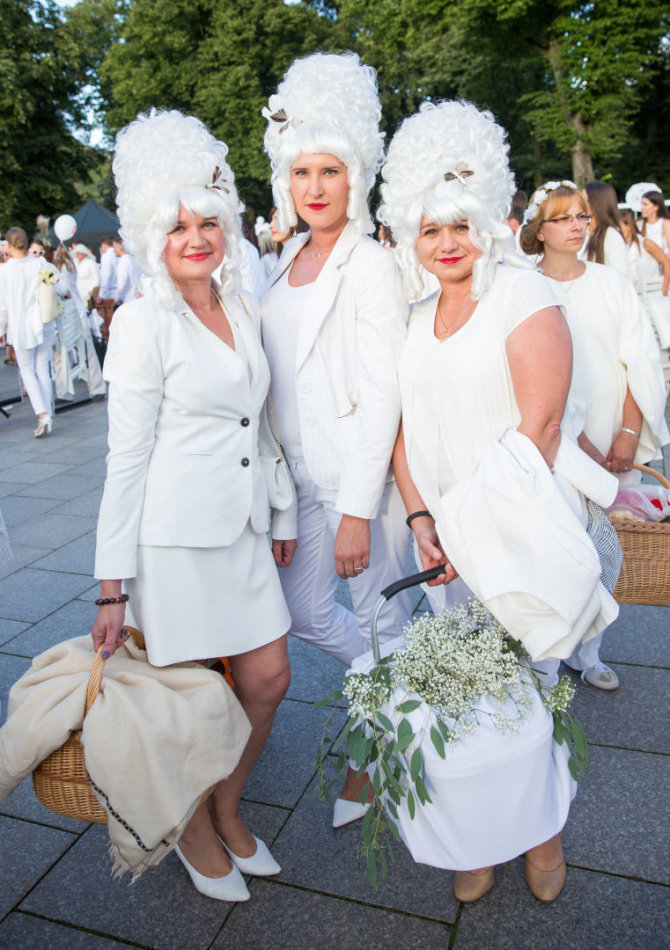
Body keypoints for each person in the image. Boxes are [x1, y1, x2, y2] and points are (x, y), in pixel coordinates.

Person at [380, 100, 621, 904]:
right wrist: (422, 521)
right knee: (465, 699)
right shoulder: (414, 319)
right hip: (443, 539)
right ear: (411, 237)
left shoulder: (524, 298)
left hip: (516, 533)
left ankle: (543, 840)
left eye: (459, 225)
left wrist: (472, 534)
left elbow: (541, 424)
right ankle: (477, 843)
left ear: (486, 223)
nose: (446, 243)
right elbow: (401, 431)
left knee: (526, 702)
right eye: (429, 229)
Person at [91, 109, 295, 903]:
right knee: (187, 707)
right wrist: (112, 587)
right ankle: (193, 830)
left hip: (243, 531)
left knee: (269, 678)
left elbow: (262, 422)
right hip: (172, 545)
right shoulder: (143, 324)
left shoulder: (241, 306)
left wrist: (278, 514)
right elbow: (126, 459)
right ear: (154, 236)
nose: (196, 236)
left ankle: (228, 804)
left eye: (208, 221)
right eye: (177, 226)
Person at [261, 52, 411, 826]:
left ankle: (376, 748)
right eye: (301, 173)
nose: (314, 187)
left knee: (381, 614)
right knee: (306, 612)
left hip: (361, 485)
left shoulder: (372, 264)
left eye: (329, 171)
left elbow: (386, 389)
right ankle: (397, 697)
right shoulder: (283, 261)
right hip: (302, 486)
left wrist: (358, 507)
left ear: (355, 179)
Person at [520, 181, 669, 690]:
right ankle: (544, 653)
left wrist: (629, 432)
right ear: (539, 230)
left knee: (604, 547)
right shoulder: (521, 285)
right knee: (553, 544)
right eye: (562, 219)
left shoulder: (612, 284)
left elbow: (641, 362)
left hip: (610, 437)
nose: (577, 226)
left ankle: (590, 651)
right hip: (549, 439)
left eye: (582, 216)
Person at [0, 227, 67, 436]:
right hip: (43, 322)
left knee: (27, 370)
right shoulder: (40, 263)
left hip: (21, 326)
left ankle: (42, 414)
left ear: (9, 246)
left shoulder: (4, 270)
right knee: (42, 368)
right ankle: (48, 412)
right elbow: (61, 287)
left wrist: (1, 328)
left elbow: (2, 305)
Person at [621, 209, 670, 353]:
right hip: (636, 297)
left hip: (654, 296)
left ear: (629, 226)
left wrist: (663, 289)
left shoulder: (645, 243)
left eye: (621, 226)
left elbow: (667, 263)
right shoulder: (622, 248)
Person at [582, 181, 629, 275]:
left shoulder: (611, 234)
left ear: (597, 203)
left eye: (584, 200)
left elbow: (621, 274)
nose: (580, 204)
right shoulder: (585, 232)